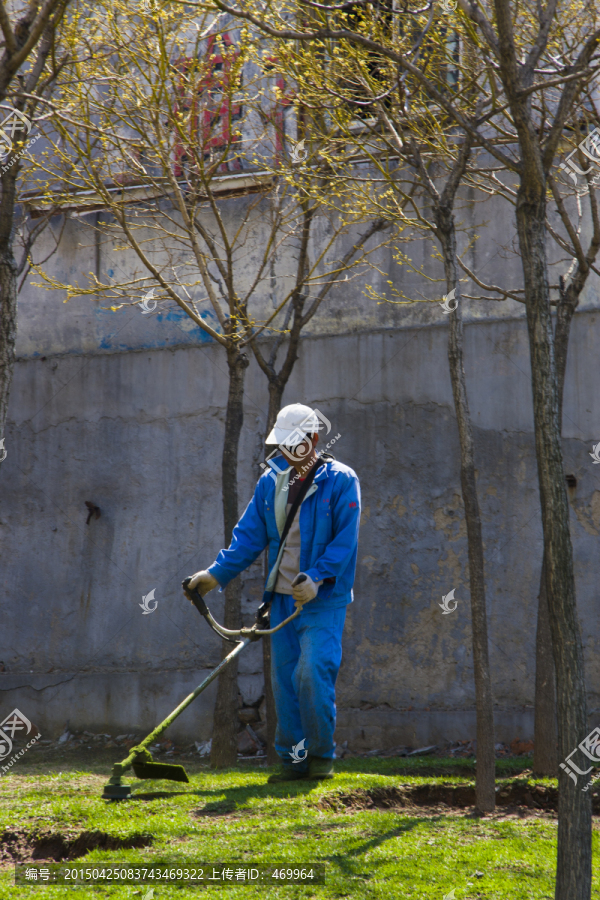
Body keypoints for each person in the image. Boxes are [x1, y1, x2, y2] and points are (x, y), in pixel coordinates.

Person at [187, 403, 361, 782]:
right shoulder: (271, 482)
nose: (285, 451)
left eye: (294, 443)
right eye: (282, 445)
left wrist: (317, 577)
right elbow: (250, 535)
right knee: (285, 684)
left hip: (322, 599)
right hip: (282, 599)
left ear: (314, 439)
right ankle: (293, 761)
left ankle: (320, 758)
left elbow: (344, 543)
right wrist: (215, 575)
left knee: (313, 673)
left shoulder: (342, 481)